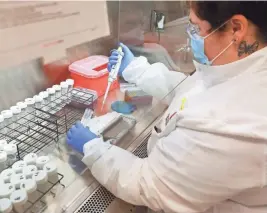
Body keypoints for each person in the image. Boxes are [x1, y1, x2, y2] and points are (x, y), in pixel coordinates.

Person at [67, 1, 267, 213]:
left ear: (236, 28)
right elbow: (190, 91)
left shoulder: (230, 125)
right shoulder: (242, 69)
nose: (192, 37)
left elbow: (149, 185)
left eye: (197, 28)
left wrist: (94, 150)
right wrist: (137, 69)